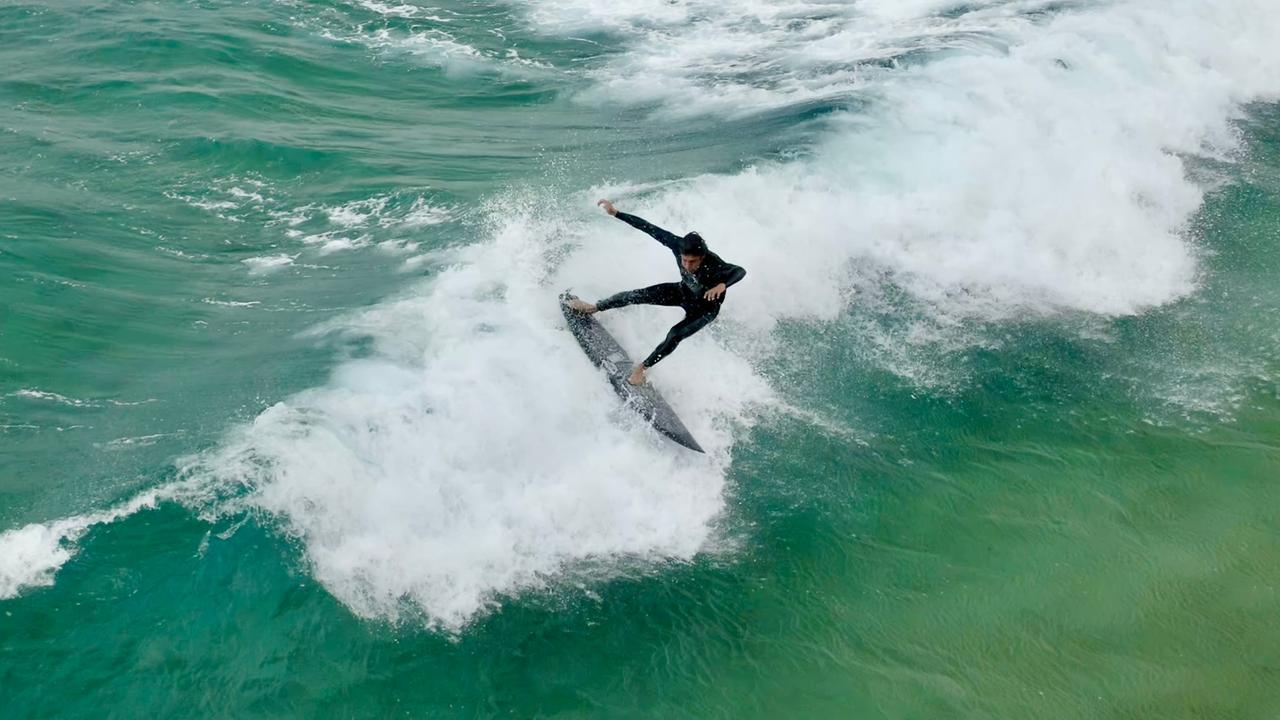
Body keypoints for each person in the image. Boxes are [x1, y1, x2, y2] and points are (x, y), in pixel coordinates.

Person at [567, 199, 746, 386]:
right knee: (635, 295)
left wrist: (722, 284)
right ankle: (594, 307)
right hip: (683, 292)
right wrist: (616, 213)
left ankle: (642, 369)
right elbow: (648, 227)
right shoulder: (677, 244)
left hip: (705, 309)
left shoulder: (714, 263)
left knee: (674, 335)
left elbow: (740, 271)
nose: (687, 265)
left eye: (692, 262)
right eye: (684, 260)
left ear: (702, 257)